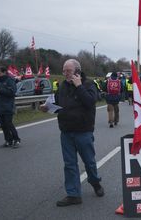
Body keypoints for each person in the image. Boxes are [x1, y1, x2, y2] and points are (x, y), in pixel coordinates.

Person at [40, 59, 104, 207]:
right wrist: (46, 106)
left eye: (67, 71)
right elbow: (55, 102)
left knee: (89, 162)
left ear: (77, 71)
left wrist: (79, 86)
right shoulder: (62, 86)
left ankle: (95, 183)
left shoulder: (88, 85)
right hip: (66, 131)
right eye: (64, 71)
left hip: (83, 131)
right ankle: (73, 194)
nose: (65, 74)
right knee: (69, 164)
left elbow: (90, 102)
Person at [0, 66, 21, 148]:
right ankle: (8, 140)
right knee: (3, 125)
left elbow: (12, 92)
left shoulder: (10, 80)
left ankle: (16, 139)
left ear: (4, 72)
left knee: (9, 124)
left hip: (8, 105)